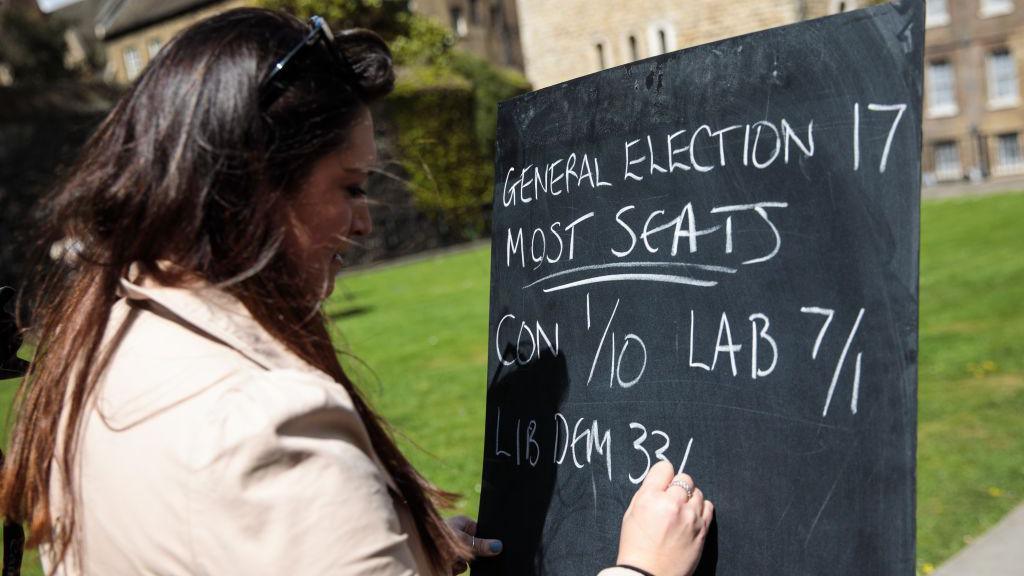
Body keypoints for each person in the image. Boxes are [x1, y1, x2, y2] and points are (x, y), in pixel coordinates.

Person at [0, 8, 713, 576]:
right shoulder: (269, 429)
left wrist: (393, 547)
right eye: (349, 185)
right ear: (253, 183)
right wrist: (641, 570)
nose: (366, 219)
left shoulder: (98, 345)